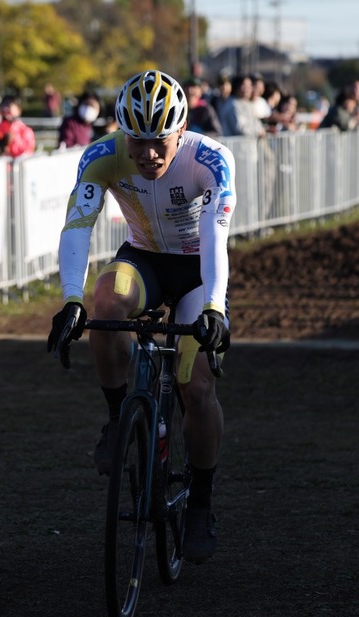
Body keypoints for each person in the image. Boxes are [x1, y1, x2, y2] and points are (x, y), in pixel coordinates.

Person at [47, 70, 235, 563]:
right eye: (138, 141)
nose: (148, 154)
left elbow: (217, 235)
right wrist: (71, 299)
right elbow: (77, 225)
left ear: (181, 129)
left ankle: (201, 500)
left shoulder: (210, 158)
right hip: (144, 258)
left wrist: (214, 305)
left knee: (195, 388)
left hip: (197, 270)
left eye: (159, 142)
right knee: (105, 303)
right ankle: (117, 420)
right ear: (121, 131)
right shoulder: (102, 156)